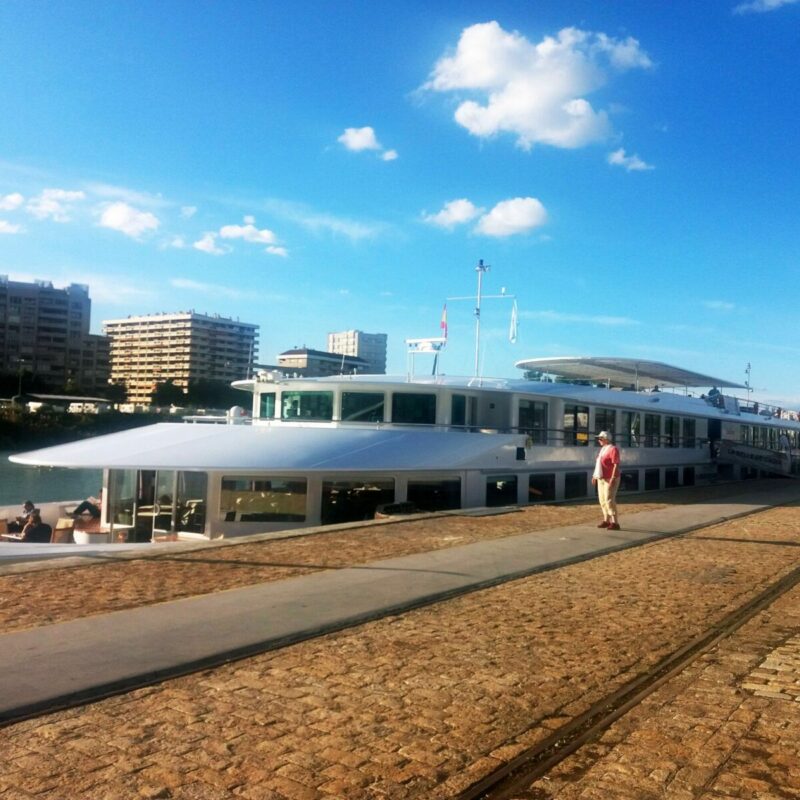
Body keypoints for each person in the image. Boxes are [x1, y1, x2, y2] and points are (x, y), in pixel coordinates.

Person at [592, 431, 621, 530]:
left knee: (609, 500)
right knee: (602, 500)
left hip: (610, 478)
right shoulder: (603, 449)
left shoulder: (613, 449)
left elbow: (616, 465)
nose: (598, 440)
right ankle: (606, 520)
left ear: (606, 439)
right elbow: (598, 464)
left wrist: (613, 478)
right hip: (601, 478)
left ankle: (615, 523)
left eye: (600, 438)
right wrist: (594, 476)